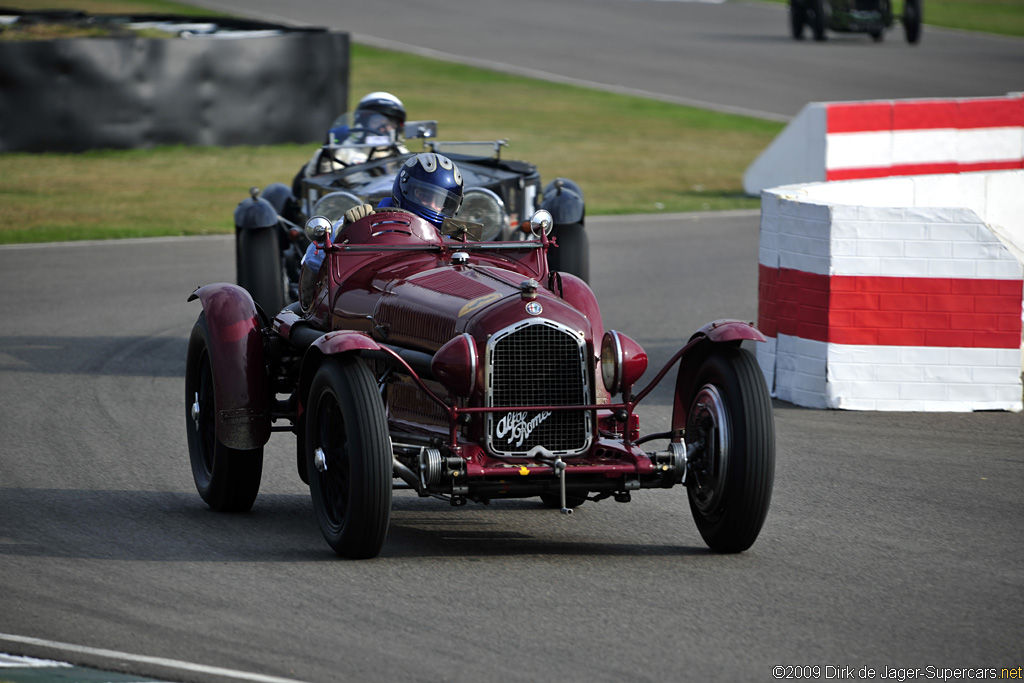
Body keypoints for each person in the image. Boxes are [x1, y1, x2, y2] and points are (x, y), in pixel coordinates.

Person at [299, 153, 464, 307]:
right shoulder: (363, 222)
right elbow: (313, 263)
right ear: (404, 188)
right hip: (366, 302)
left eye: (443, 202)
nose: (434, 206)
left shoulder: (453, 238)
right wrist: (346, 233)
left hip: (431, 306)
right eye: (425, 196)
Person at [293, 92, 409, 195]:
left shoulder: (404, 156)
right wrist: (327, 153)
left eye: (390, 123)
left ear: (397, 127)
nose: (383, 128)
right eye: (377, 121)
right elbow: (323, 184)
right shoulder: (342, 151)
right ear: (363, 122)